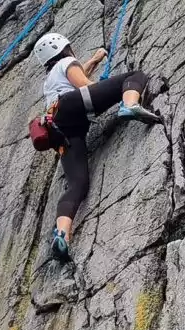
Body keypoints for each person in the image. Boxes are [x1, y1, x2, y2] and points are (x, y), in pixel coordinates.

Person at [32, 32, 161, 261]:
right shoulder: (67, 62)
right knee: (133, 76)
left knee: (77, 184)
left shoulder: (50, 78)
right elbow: (82, 84)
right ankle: (130, 105)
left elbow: (75, 76)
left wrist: (95, 59)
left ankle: (62, 235)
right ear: (64, 47)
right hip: (72, 107)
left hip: (62, 129)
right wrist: (104, 90)